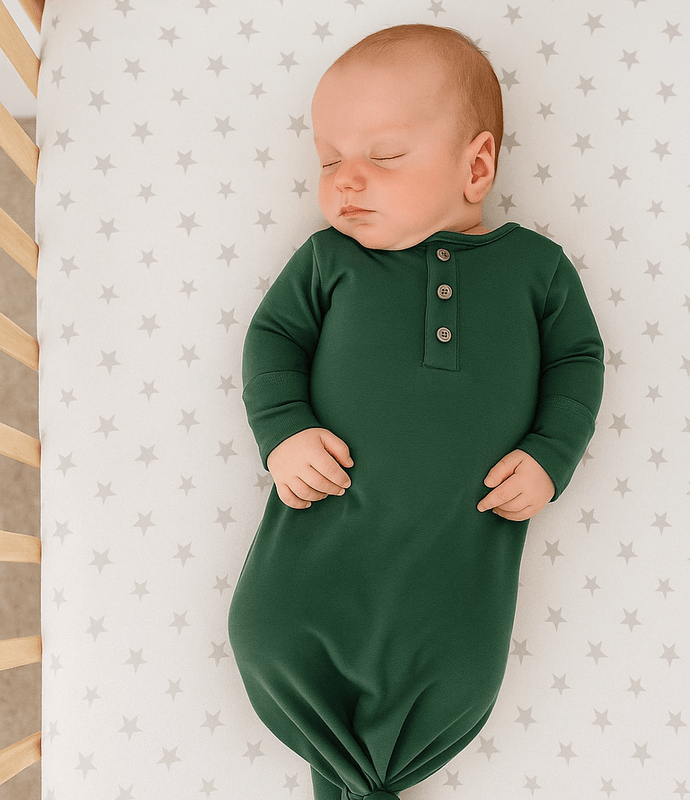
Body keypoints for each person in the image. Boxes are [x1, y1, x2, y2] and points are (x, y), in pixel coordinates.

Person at [228, 23, 605, 800]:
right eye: (328, 160)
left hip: (458, 555)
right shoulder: (330, 260)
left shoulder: (535, 269)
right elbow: (273, 340)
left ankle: (368, 782)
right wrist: (284, 432)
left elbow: (578, 360)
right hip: (324, 531)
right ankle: (355, 777)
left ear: (476, 166)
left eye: (385, 156)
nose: (346, 181)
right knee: (267, 635)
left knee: (463, 671)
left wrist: (550, 454)